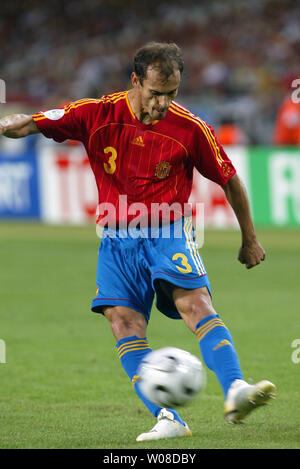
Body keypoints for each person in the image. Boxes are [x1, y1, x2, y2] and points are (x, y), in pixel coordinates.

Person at [0, 42, 275, 441]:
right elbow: (30, 123)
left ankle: (236, 389)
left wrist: (250, 238)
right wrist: (7, 124)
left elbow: (229, 179)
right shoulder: (96, 113)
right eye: (156, 93)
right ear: (135, 81)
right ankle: (168, 418)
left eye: (172, 94)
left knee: (195, 304)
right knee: (123, 323)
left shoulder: (190, 128)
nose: (163, 103)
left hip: (168, 230)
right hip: (115, 238)